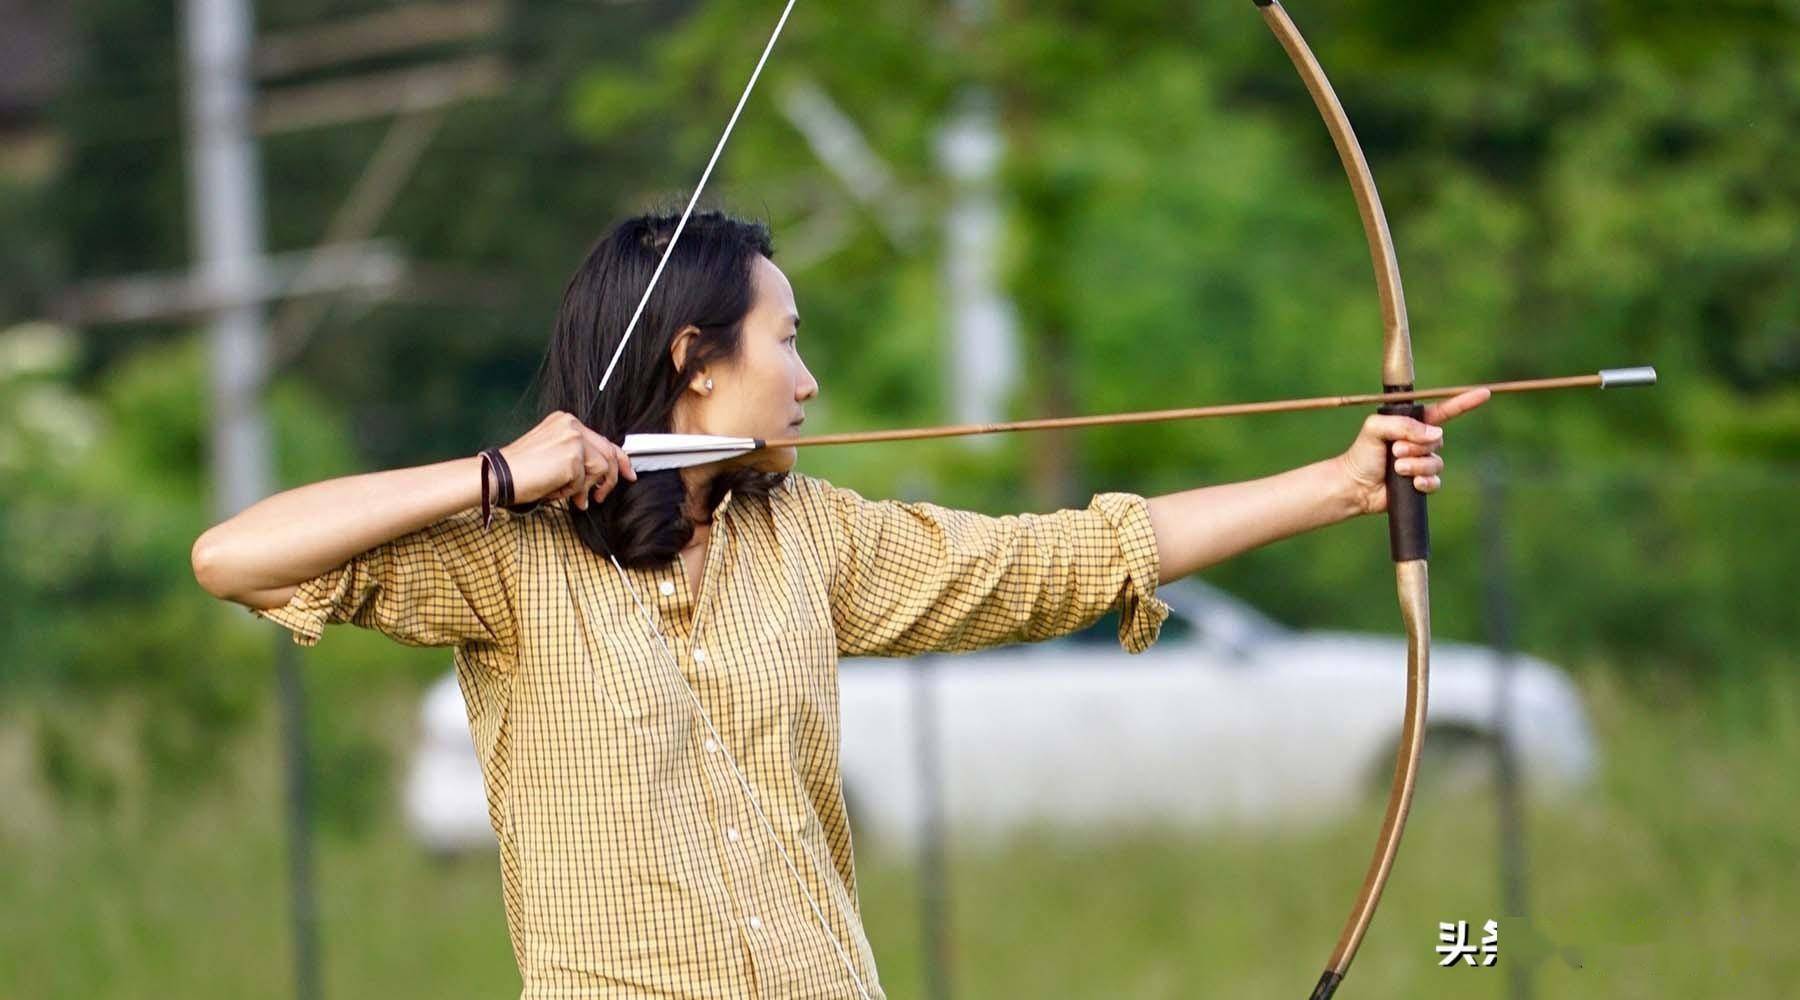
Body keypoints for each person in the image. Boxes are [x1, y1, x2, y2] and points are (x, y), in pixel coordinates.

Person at [190, 211, 1488, 1000]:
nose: (808, 379)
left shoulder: (810, 537)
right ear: (694, 362)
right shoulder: (505, 559)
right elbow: (236, 556)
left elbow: (1070, 560)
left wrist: (1337, 483)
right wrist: (498, 474)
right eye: (786, 340)